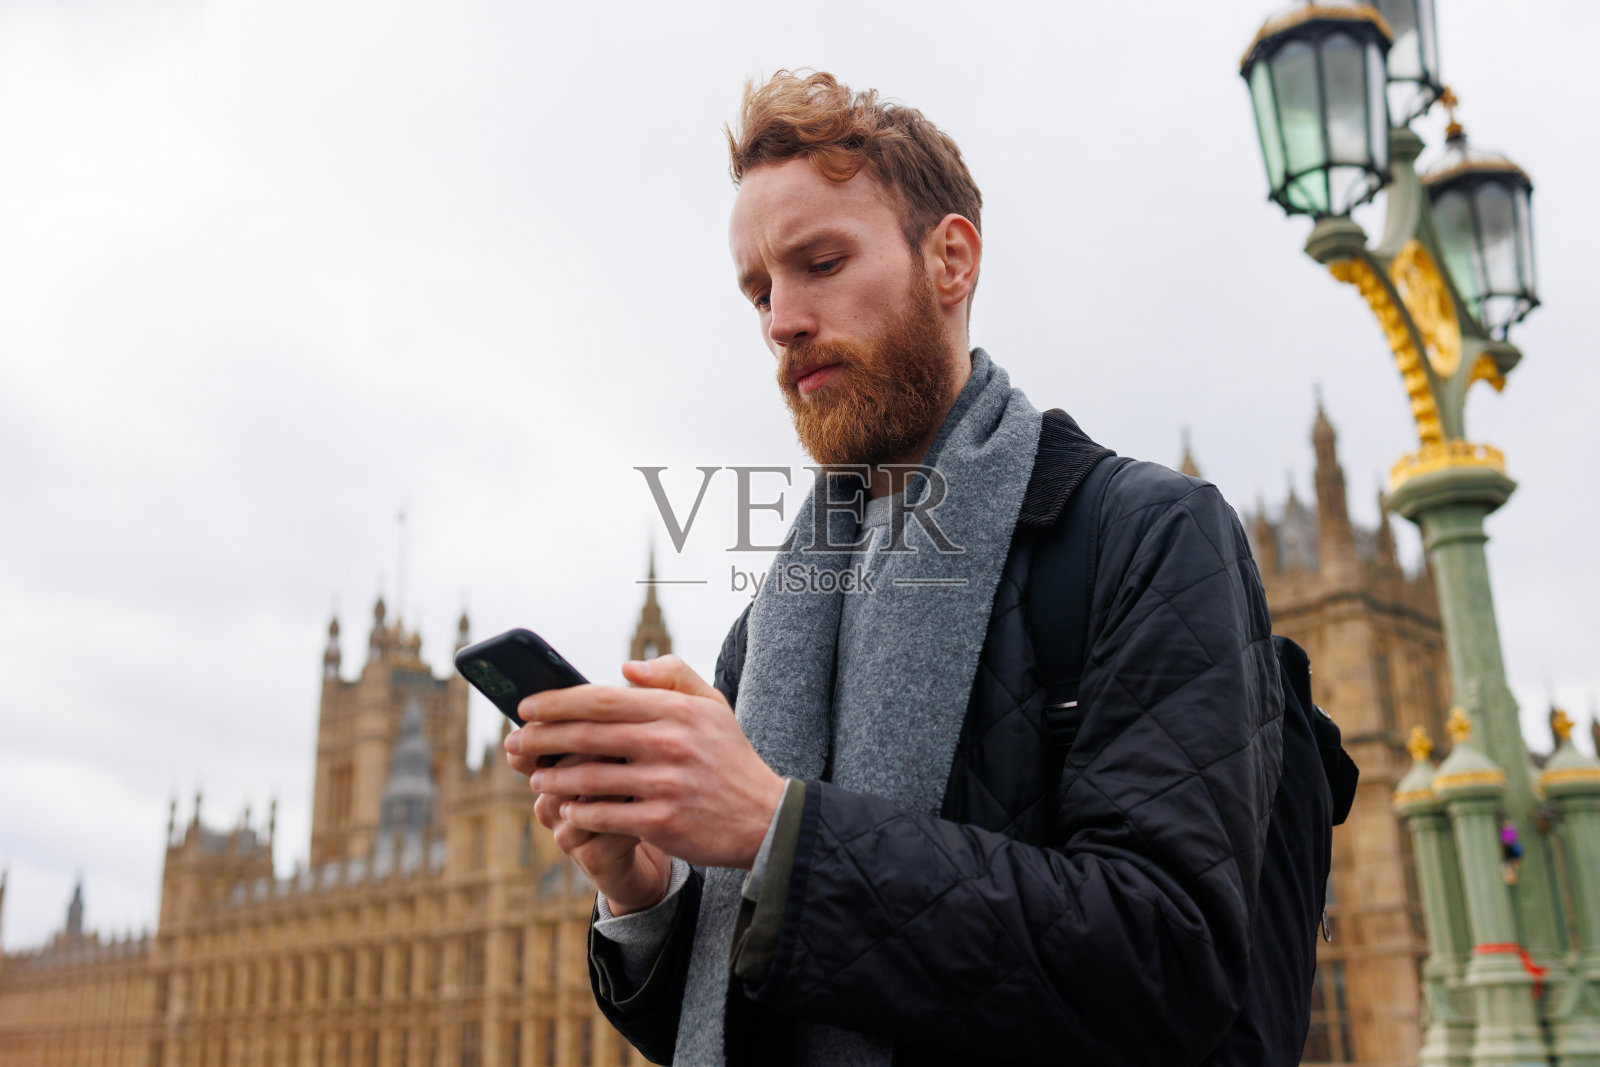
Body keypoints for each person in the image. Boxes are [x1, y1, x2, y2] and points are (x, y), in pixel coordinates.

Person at [503, 70, 1283, 1066]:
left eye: (820, 262)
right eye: (758, 292)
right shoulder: (776, 622)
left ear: (949, 259)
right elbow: (738, 1019)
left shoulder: (1145, 535)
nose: (781, 319)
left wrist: (779, 829)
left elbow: (1170, 960)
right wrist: (643, 889)